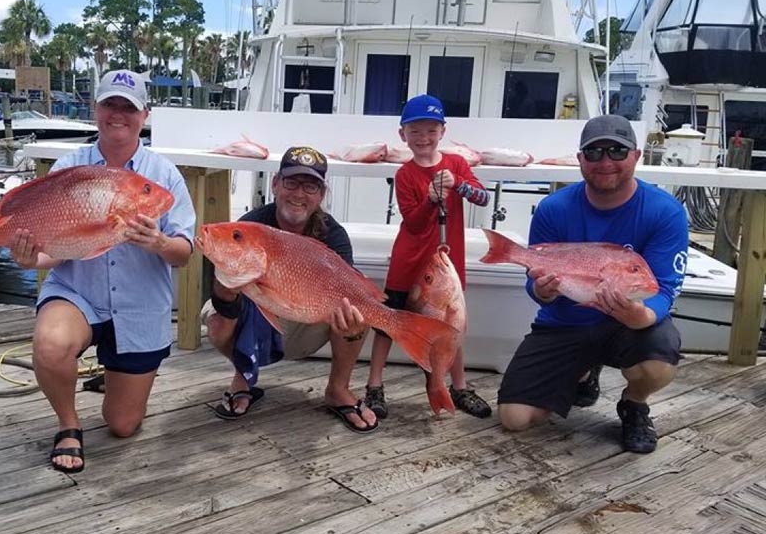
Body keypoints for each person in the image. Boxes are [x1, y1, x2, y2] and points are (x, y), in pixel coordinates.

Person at [10, 69, 195, 473]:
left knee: (123, 425)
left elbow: (183, 255)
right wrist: (30, 259)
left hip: (139, 306)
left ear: (143, 115)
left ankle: (115, 379)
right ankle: (68, 423)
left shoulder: (163, 176)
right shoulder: (71, 166)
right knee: (51, 344)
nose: (118, 114)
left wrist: (159, 242)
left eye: (127, 107)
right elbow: (55, 250)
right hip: (79, 293)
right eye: (110, 103)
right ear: (95, 109)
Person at [497, 114, 688, 453]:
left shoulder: (665, 212)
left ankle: (634, 404)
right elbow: (537, 285)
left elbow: (664, 290)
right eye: (594, 153)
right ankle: (583, 373)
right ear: (580, 159)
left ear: (636, 155)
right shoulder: (553, 208)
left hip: (625, 326)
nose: (606, 162)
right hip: (564, 325)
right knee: (515, 418)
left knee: (658, 356)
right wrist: (541, 290)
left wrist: (641, 316)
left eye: (617, 151)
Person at [204, 146, 377, 432]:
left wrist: (352, 323)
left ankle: (338, 389)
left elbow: (350, 291)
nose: (299, 194)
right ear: (275, 184)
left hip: (306, 320)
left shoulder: (333, 234)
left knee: (360, 312)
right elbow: (226, 304)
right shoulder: (250, 226)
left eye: (310, 186)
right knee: (217, 320)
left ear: (322, 195)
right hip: (262, 314)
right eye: (291, 182)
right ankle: (243, 376)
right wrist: (225, 289)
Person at [364, 95, 493, 419]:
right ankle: (374, 385)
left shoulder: (457, 165)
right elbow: (413, 222)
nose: (424, 138)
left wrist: (458, 184)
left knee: (453, 324)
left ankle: (459, 387)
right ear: (402, 135)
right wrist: (430, 200)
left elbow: (482, 198)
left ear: (442, 131)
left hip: (446, 267)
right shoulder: (405, 175)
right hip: (408, 265)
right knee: (387, 325)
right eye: (416, 131)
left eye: (431, 130)